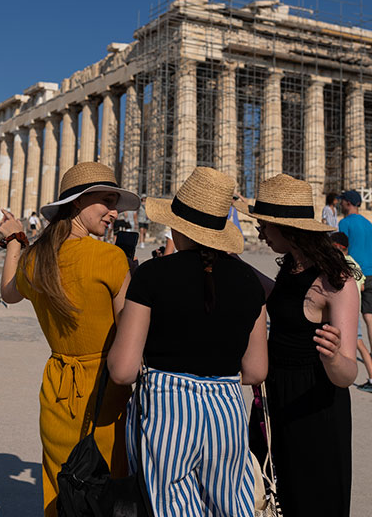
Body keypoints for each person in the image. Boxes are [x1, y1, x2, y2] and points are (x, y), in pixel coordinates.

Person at [109, 167, 268, 515]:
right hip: (226, 409)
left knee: (170, 507)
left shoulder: (152, 276)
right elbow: (256, 371)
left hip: (167, 409)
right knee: (231, 506)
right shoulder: (250, 282)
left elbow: (122, 371)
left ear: (177, 225)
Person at [0, 162, 140, 517]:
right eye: (106, 200)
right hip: (106, 390)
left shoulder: (35, 261)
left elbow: (8, 293)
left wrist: (15, 241)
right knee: (105, 490)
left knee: (63, 487)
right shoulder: (110, 257)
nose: (113, 212)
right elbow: (129, 330)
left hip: (57, 388)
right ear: (78, 202)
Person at [244, 174, 358, 517]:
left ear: (287, 228)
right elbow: (279, 296)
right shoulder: (292, 267)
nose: (260, 232)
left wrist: (334, 356)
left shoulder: (335, 283)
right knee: (274, 497)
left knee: (312, 500)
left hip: (314, 405)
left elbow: (347, 373)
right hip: (274, 396)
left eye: (265, 225)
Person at [331, 232, 372, 394]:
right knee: (355, 345)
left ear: (337, 248)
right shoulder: (354, 263)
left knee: (356, 345)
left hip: (344, 311)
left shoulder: (339, 264)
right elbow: (362, 286)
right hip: (354, 310)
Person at [338, 190, 372, 367]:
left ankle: (347, 352)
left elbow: (341, 249)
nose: (340, 204)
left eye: (342, 201)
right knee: (369, 316)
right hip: (371, 274)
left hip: (354, 275)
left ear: (348, 203)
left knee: (349, 315)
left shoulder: (345, 223)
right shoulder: (369, 224)